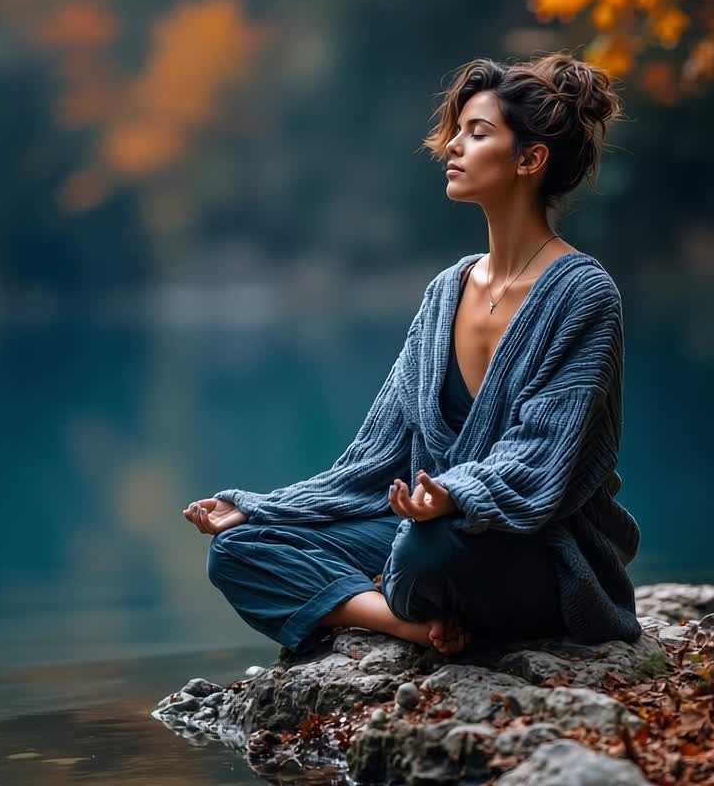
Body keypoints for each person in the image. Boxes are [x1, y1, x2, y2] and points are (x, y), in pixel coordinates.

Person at [184, 52, 642, 657]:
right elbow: (376, 459)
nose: (452, 145)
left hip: (533, 550)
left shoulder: (583, 293)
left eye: (477, 134)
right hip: (428, 530)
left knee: (429, 548)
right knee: (241, 549)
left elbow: (543, 457)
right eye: (457, 131)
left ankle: (403, 598)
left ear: (530, 160)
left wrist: (452, 495)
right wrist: (266, 510)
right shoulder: (446, 291)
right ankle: (402, 622)